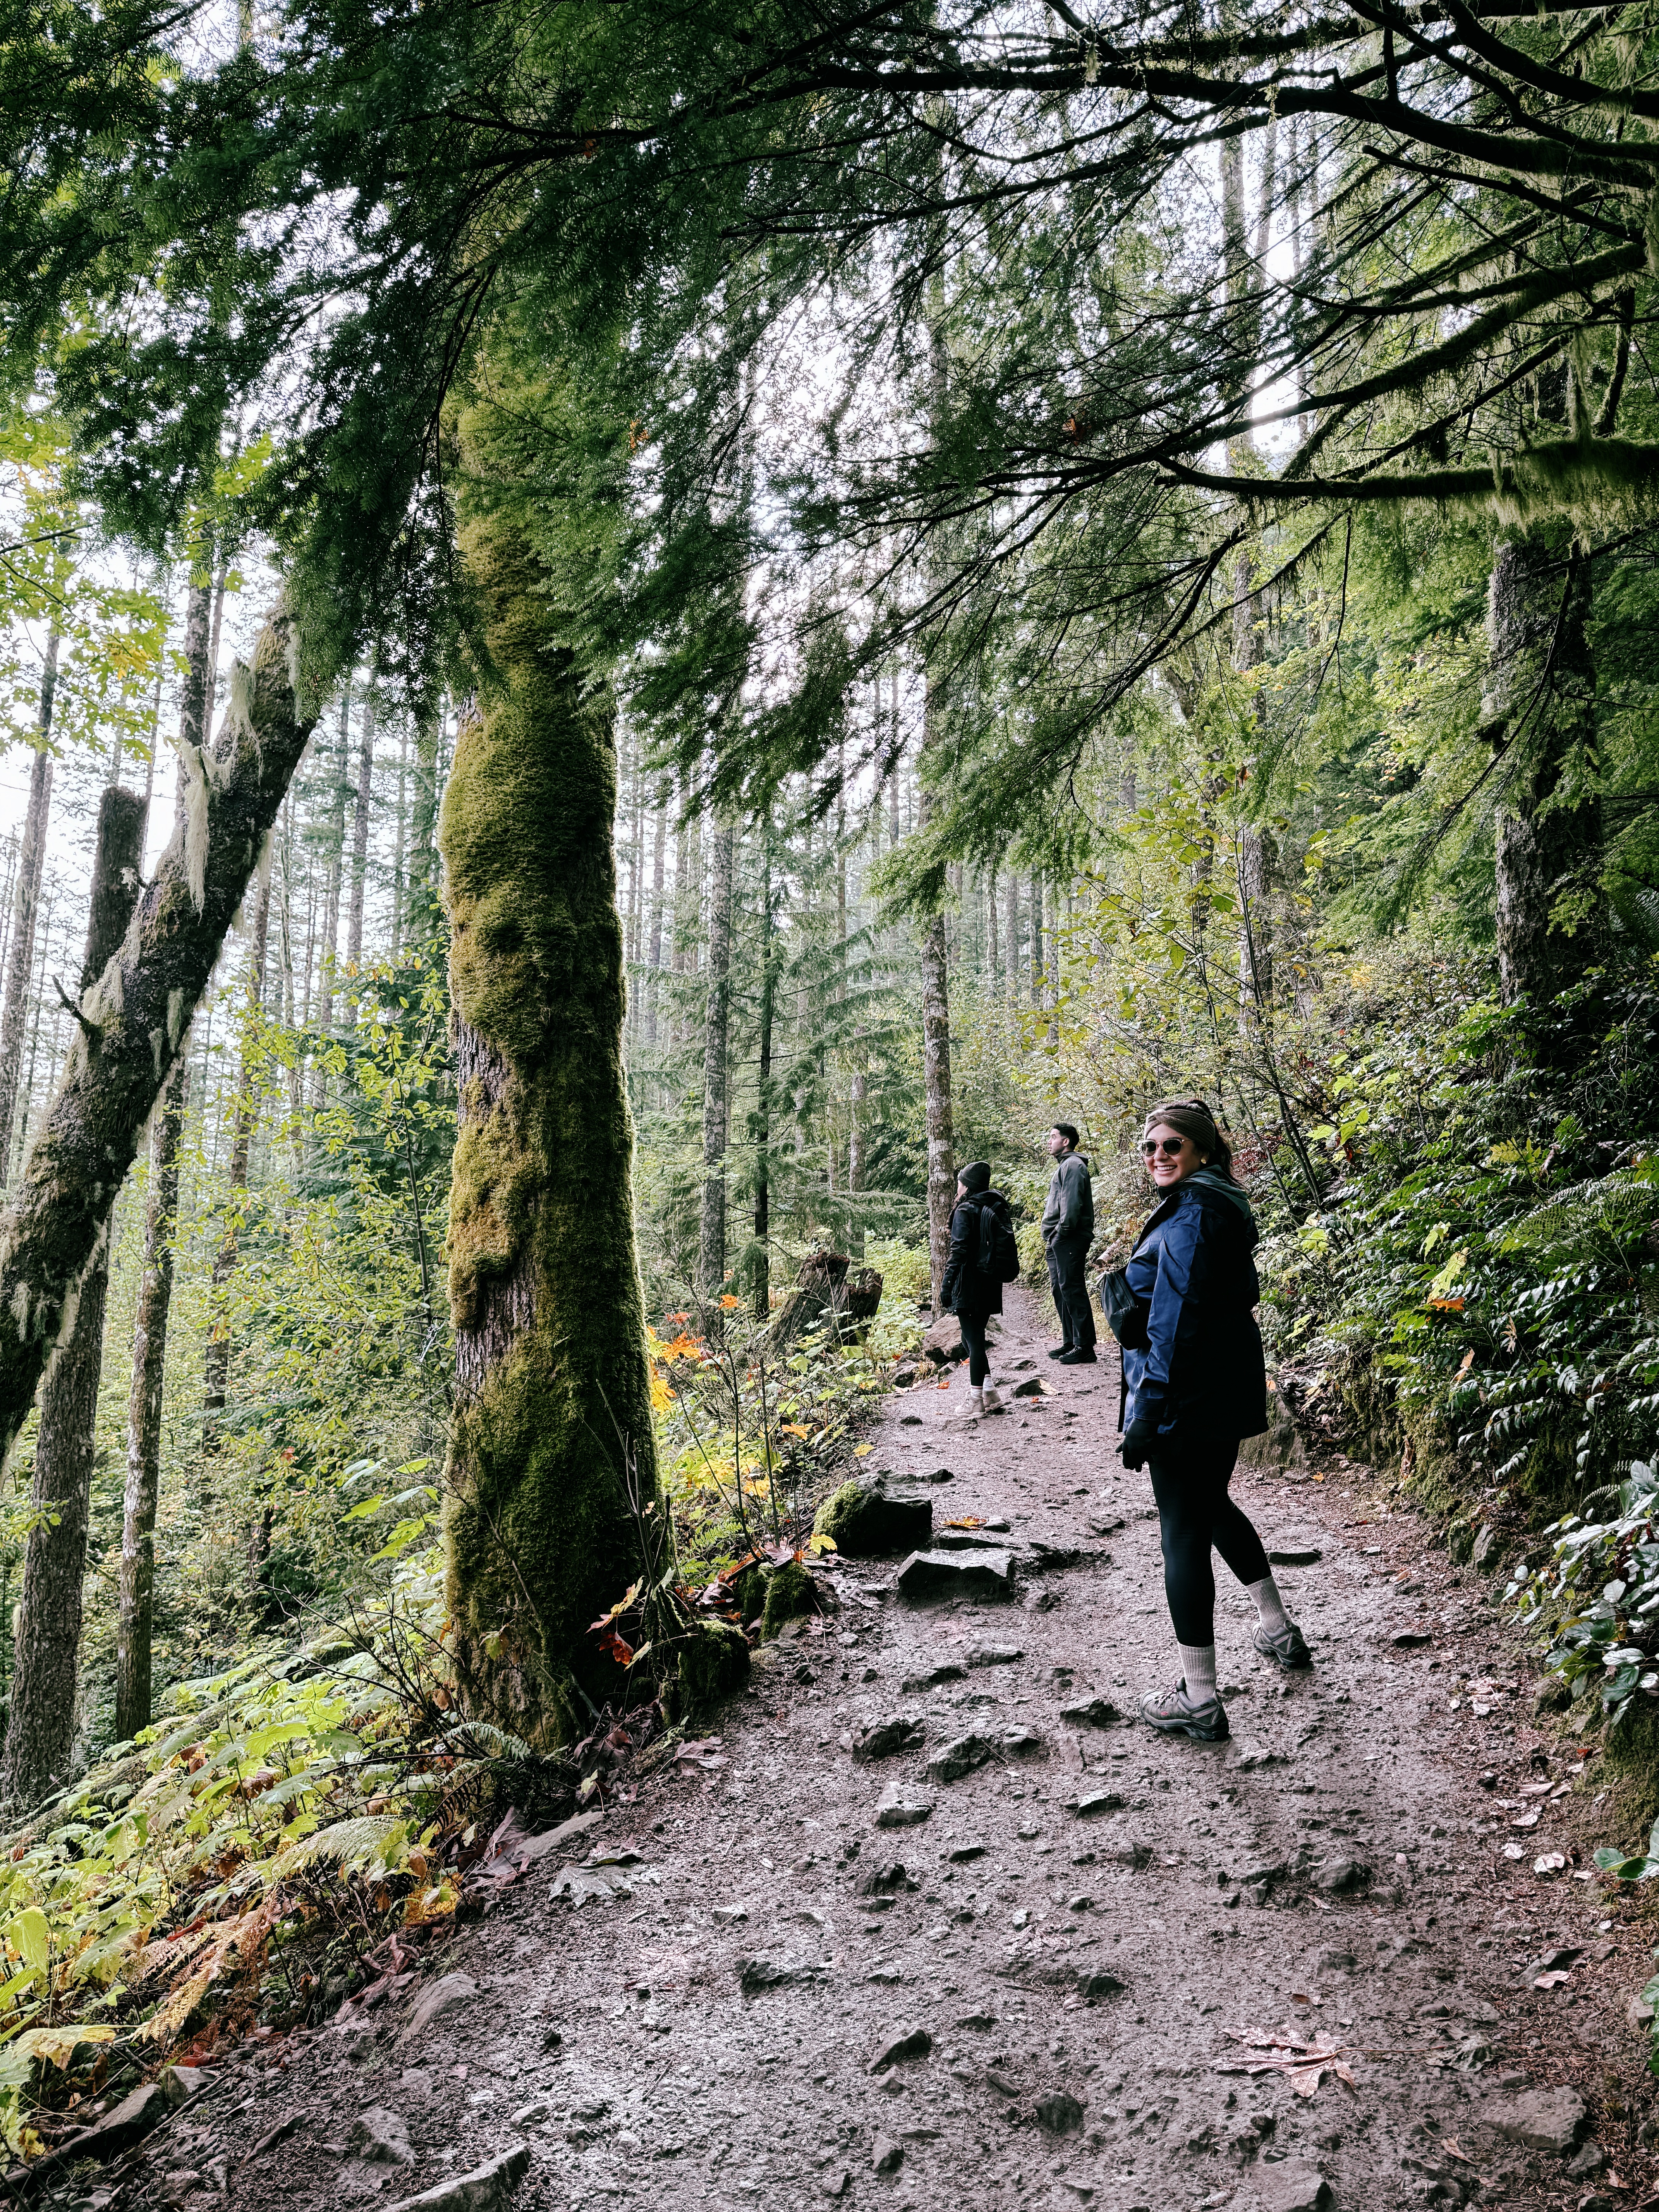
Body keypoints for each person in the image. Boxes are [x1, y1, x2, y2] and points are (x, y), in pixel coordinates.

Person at [1118, 1096, 1310, 1743]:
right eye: (1149, 1148)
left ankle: (1198, 1696)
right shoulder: (1218, 1203)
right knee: (1211, 1505)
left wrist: (1145, 1410)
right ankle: (1277, 1628)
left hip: (1185, 1393)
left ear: (1200, 1149)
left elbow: (1170, 1320)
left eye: (1171, 1145)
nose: (1158, 1157)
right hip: (1217, 1388)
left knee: (1181, 1528)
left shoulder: (1192, 1214)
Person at [940, 1161, 1013, 1420]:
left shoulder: (966, 1210)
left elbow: (958, 1252)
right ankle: (991, 1394)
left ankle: (974, 1400)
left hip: (969, 1283)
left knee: (973, 1340)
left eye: (960, 1182)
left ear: (967, 1185)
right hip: (990, 1281)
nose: (957, 1187)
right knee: (974, 1339)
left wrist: (947, 1285)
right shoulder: (995, 1205)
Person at [1041, 1123, 1096, 1365]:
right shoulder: (1065, 1166)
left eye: (1053, 1137)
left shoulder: (1073, 1165)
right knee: (1060, 1289)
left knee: (1071, 1288)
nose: (1049, 1141)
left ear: (1066, 1142)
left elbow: (1071, 1206)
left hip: (1069, 1236)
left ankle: (1085, 1346)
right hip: (1059, 1237)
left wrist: (1062, 1233)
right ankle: (1071, 1341)